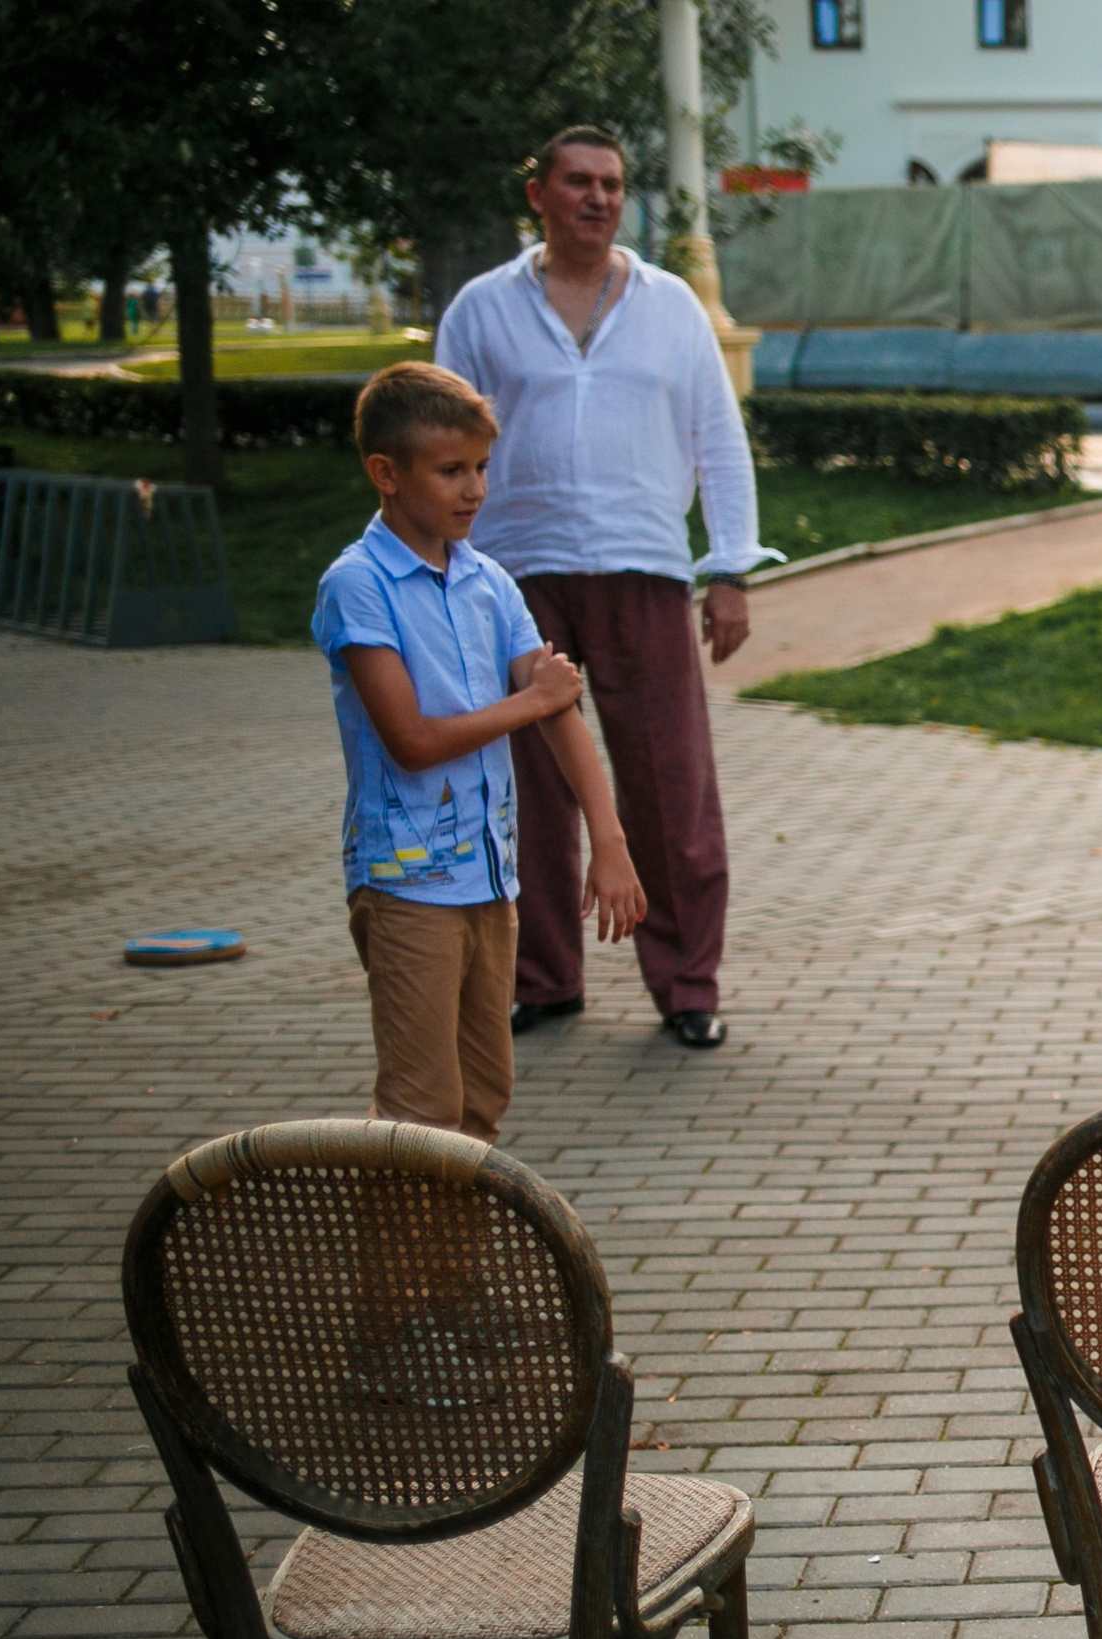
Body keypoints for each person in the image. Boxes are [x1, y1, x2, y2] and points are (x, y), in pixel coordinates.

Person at [436, 125, 779, 1052]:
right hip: (515, 578)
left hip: (644, 571)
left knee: (671, 788)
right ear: (538, 194)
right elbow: (441, 443)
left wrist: (730, 570)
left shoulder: (671, 308)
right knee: (536, 791)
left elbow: (719, 440)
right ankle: (545, 980)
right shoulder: (481, 309)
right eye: (578, 182)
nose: (597, 198)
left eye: (612, 185)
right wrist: (440, 571)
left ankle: (686, 985)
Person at [310, 362, 645, 1142]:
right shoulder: (358, 586)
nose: (474, 490)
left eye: (482, 468)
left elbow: (560, 709)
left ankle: (450, 1270)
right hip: (404, 886)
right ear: (385, 474)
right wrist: (527, 701)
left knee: (480, 1104)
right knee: (419, 1114)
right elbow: (413, 741)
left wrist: (611, 837)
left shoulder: (489, 581)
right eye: (450, 470)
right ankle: (398, 1272)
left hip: (490, 881)